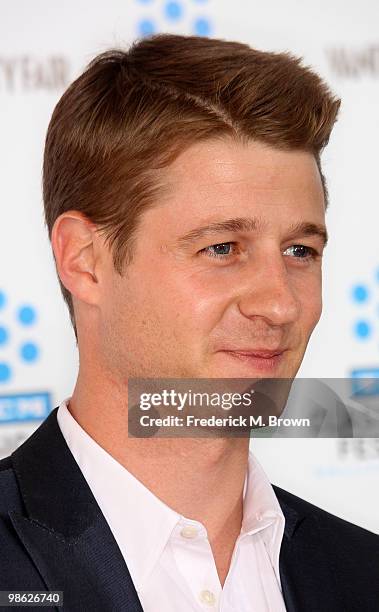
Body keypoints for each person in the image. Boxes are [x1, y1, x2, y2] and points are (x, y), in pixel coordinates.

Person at [0, 34, 377, 612]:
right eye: (223, 248)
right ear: (85, 260)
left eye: (300, 251)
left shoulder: (361, 573)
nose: (279, 305)